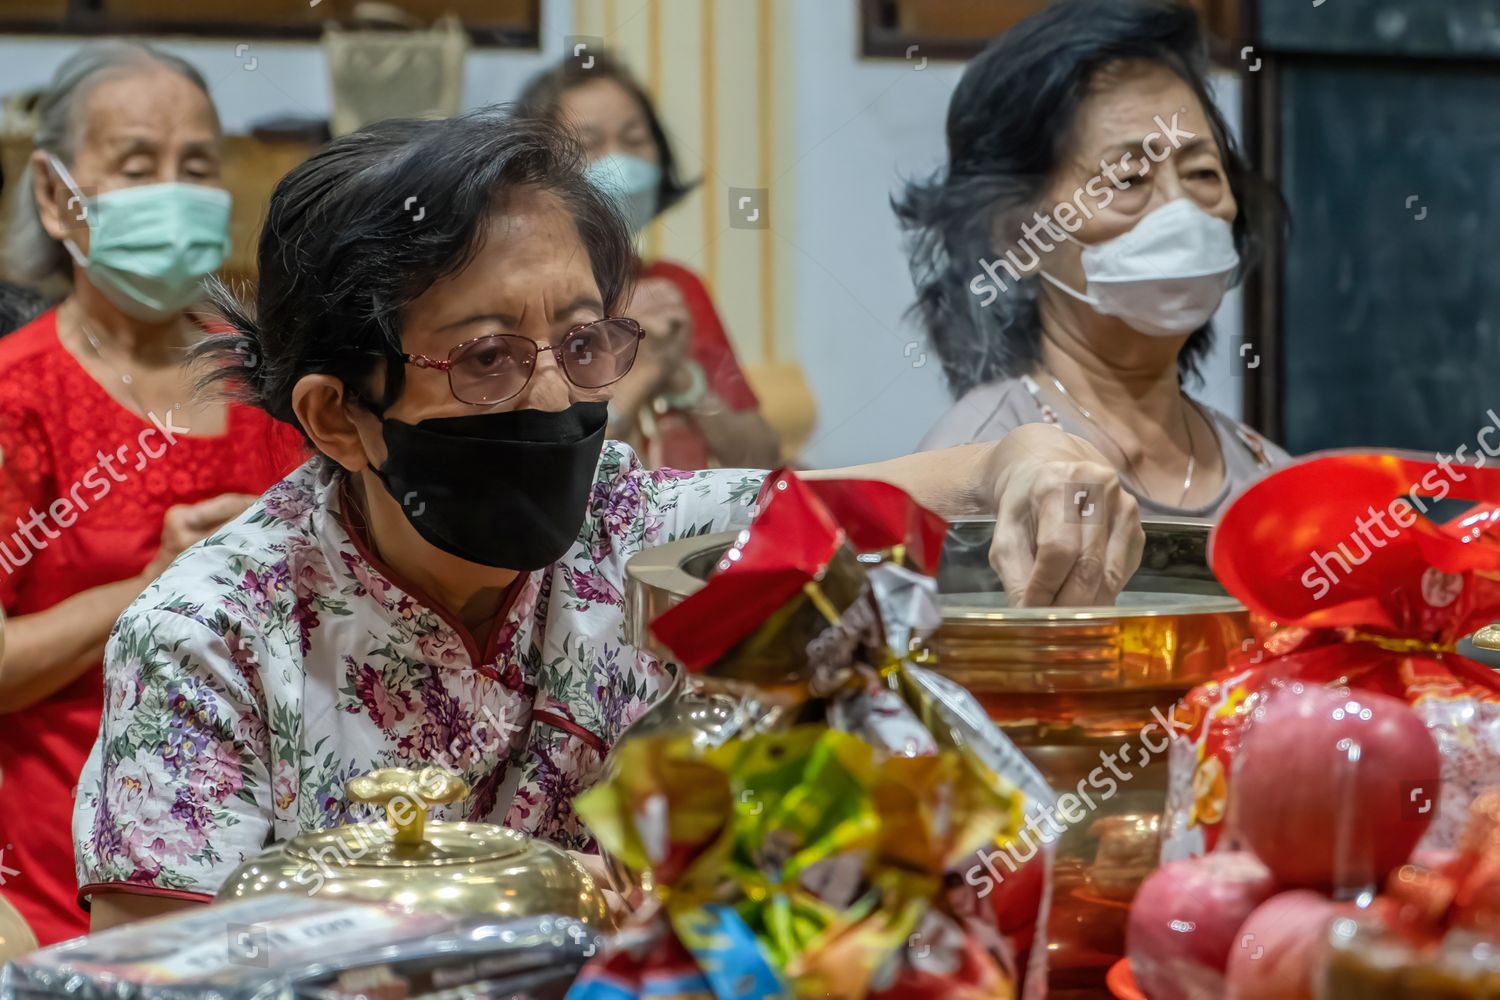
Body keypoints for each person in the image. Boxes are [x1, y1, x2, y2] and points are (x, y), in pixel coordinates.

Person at [73, 108, 1142, 931]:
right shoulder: (206, 640)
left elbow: (866, 505)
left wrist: (1031, 455)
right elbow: (155, 968)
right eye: (487, 356)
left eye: (583, 344)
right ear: (338, 416)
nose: (550, 398)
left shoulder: (631, 534)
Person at [0, 42, 304, 945]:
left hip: (276, 856)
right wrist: (155, 585)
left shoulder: (271, 376)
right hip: (62, 878)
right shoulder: (18, 395)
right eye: (137, 165)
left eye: (196, 165)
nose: (173, 189)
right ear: (58, 197)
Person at [900, 0, 1289, 520]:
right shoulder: (981, 476)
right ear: (1017, 234)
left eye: (1201, 173)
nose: (1182, 209)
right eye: (1127, 180)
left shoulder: (1272, 479)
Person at [519, 52, 781, 471]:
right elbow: (547, 480)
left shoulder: (676, 288)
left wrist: (685, 381)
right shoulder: (525, 303)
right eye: (589, 144)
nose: (619, 161)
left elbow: (761, 459)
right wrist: (639, 376)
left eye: (635, 138)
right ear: (538, 169)